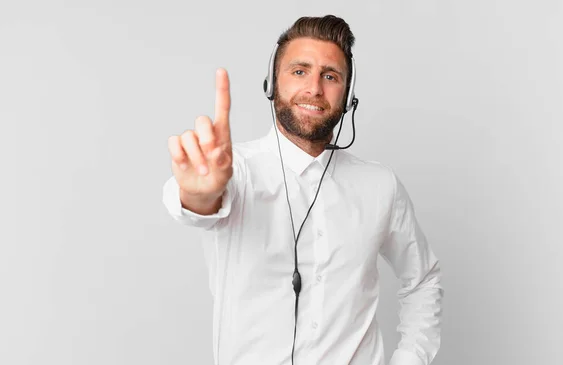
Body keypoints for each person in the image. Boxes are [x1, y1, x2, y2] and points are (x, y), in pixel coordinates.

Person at [163, 15, 442, 365]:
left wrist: (410, 360)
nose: (314, 88)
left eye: (330, 76)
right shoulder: (237, 171)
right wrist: (199, 194)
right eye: (299, 71)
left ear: (348, 95)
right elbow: (196, 203)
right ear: (272, 85)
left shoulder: (380, 186)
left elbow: (422, 279)